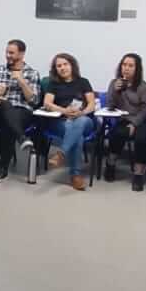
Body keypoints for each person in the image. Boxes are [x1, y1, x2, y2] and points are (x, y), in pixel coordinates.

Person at [0, 39, 41, 183]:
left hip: (22, 111)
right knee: (4, 104)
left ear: (21, 54)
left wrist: (22, 82)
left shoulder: (32, 73)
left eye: (12, 53)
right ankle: (21, 138)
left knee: (8, 122)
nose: (8, 56)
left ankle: (2, 170)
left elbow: (34, 101)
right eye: (7, 52)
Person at [37, 52, 97, 190]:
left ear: (72, 65)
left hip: (84, 118)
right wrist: (64, 111)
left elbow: (92, 104)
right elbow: (47, 103)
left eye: (65, 64)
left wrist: (81, 112)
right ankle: (75, 175)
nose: (62, 68)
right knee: (77, 135)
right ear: (55, 69)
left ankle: (62, 153)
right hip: (61, 121)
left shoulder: (83, 82)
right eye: (59, 66)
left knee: (80, 122)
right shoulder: (53, 84)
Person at [103, 52, 146, 191]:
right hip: (124, 119)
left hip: (144, 121)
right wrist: (115, 91)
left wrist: (134, 124)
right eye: (124, 65)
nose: (126, 68)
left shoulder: (145, 87)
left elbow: (145, 110)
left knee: (141, 138)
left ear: (137, 69)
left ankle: (138, 174)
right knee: (116, 133)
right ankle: (110, 164)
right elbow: (110, 106)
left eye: (130, 66)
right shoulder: (115, 83)